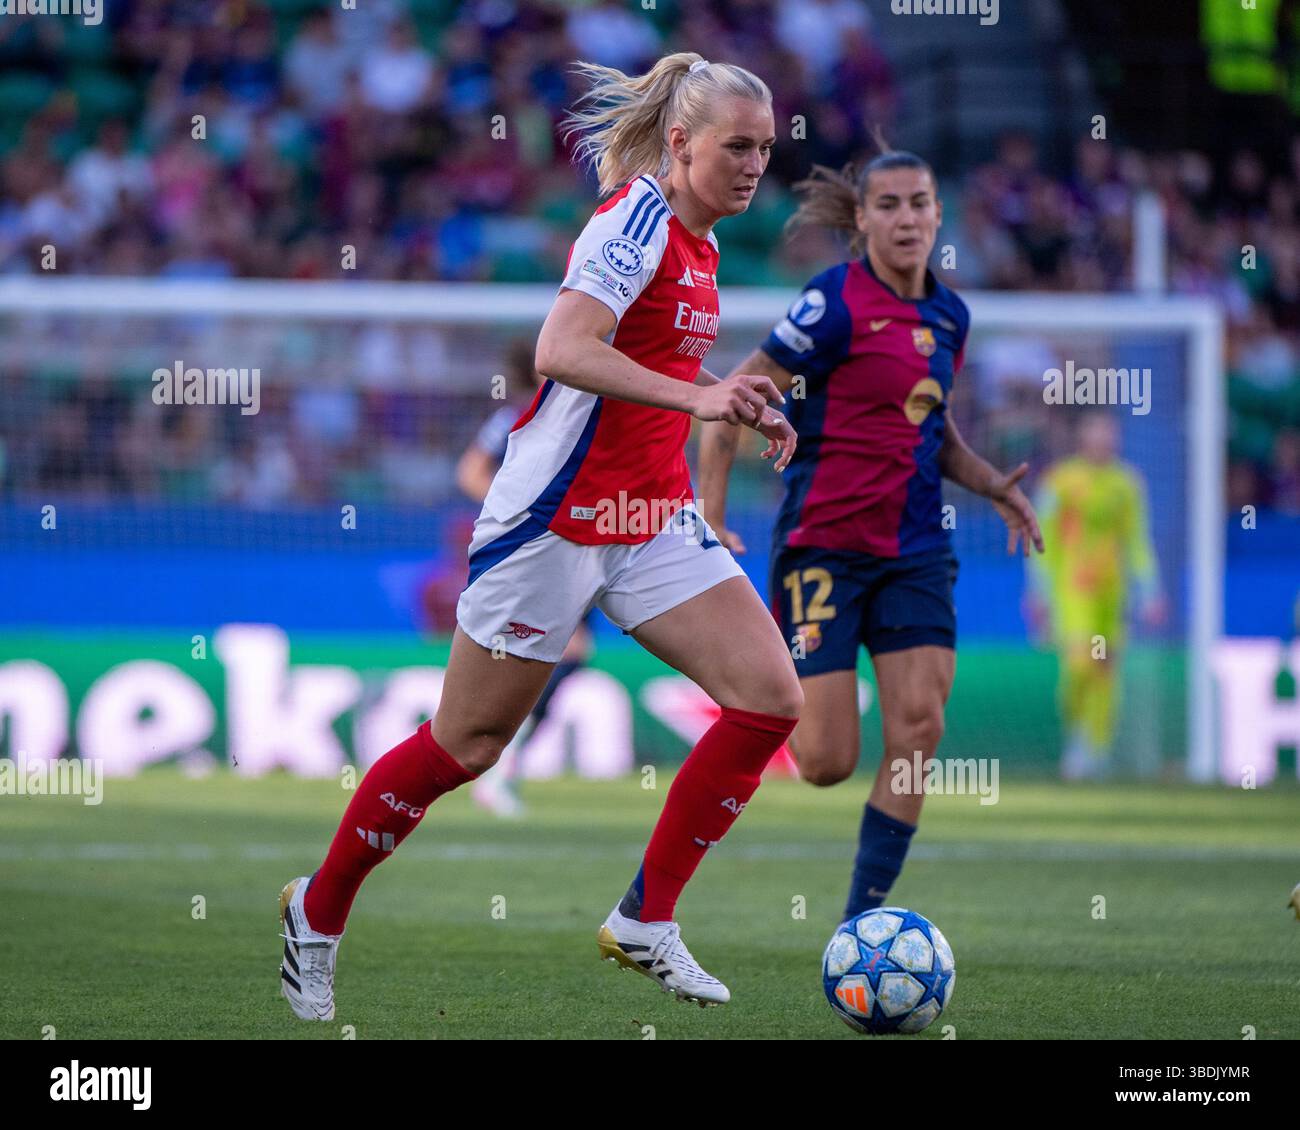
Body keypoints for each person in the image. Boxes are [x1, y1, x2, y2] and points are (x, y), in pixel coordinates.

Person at [279, 52, 800, 1020]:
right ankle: (318, 907)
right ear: (680, 143)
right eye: (737, 146)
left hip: (648, 515)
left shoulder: (706, 242)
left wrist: (730, 398)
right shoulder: (634, 219)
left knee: (770, 699)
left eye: (765, 148)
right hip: (552, 520)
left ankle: (645, 916)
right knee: (464, 744)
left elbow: (651, 360)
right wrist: (701, 393)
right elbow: (562, 349)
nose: (753, 166)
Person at [698, 150, 1043, 924]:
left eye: (919, 202)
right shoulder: (833, 305)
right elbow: (732, 402)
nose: (907, 218)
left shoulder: (951, 315)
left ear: (938, 214)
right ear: (862, 219)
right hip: (824, 545)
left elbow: (931, 423)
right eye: (887, 204)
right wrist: (710, 516)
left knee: (919, 725)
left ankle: (863, 925)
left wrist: (989, 482)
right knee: (823, 762)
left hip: (917, 550)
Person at [454, 339, 596, 818]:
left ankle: (500, 764)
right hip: (539, 546)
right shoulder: (519, 416)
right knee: (565, 650)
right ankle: (496, 765)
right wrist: (519, 508)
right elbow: (471, 472)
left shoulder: (585, 409)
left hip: (583, 544)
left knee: (565, 654)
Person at [1026, 410, 1164, 779]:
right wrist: (1037, 591)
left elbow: (1137, 541)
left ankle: (1097, 749)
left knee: (1105, 669)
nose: (1105, 441)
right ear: (1083, 438)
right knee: (1080, 665)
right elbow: (1044, 539)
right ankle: (1078, 736)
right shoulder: (1060, 482)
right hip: (1071, 591)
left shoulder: (1126, 484)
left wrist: (1150, 590)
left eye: (1110, 434)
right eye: (1098, 433)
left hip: (1111, 594)